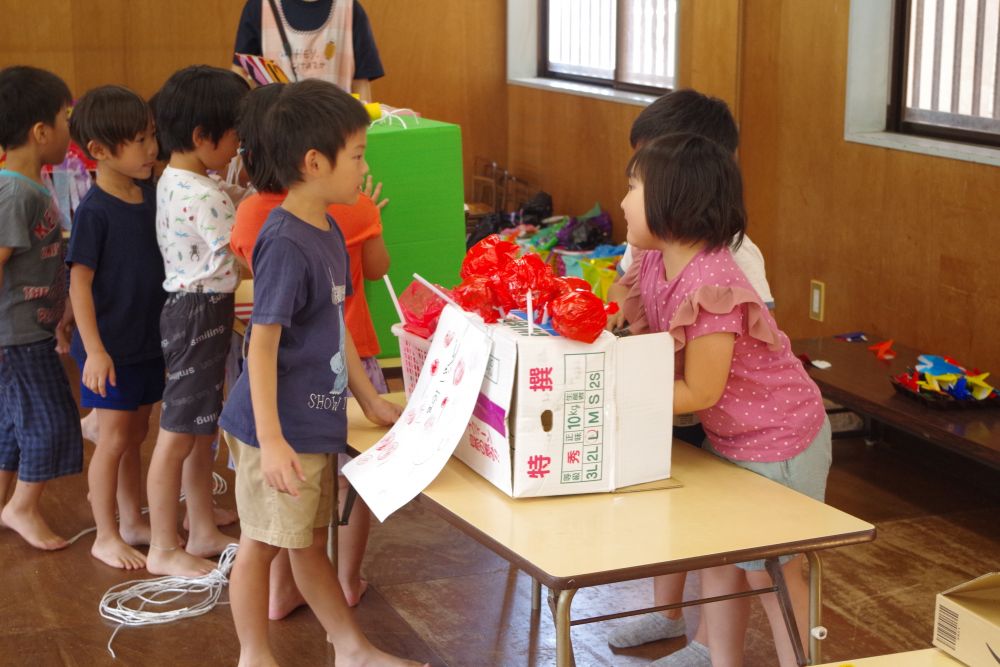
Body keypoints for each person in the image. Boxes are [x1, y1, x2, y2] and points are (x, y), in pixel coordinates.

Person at [219, 78, 423, 667]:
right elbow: (260, 347)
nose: (364, 167)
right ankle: (254, 655)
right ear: (314, 162)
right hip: (272, 431)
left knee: (306, 543)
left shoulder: (331, 228)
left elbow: (333, 325)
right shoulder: (284, 242)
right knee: (260, 544)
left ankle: (351, 647)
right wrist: (274, 440)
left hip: (309, 426)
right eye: (357, 155)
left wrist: (371, 401)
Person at [619, 133, 832, 667]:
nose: (623, 201)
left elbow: (701, 390)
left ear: (673, 203)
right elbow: (634, 332)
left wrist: (615, 396)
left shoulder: (711, 279)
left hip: (780, 441)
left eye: (633, 187)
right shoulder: (651, 262)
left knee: (774, 574)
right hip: (735, 438)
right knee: (721, 559)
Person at [606, 89, 776, 666]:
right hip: (675, 394)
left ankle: (708, 644)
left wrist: (633, 381)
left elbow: (729, 357)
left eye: (643, 176)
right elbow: (631, 300)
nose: (631, 191)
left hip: (721, 413)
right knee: (676, 515)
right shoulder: (654, 245)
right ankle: (667, 611)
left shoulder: (729, 262)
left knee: (731, 547)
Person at [145, 65, 250, 577]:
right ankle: (164, 546)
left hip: (197, 310)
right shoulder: (204, 194)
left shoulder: (180, 178)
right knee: (179, 431)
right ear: (201, 136)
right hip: (198, 313)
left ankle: (202, 526)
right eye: (234, 136)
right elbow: (244, 253)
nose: (238, 147)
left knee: (200, 426)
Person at [67, 85, 165, 569]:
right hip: (110, 347)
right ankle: (104, 533)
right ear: (101, 151)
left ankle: (131, 519)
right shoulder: (94, 212)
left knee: (136, 431)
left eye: (151, 136)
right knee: (114, 438)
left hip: (146, 340)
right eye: (139, 140)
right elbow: (79, 285)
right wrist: (95, 351)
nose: (152, 149)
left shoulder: (147, 192)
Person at [0, 66, 81, 552]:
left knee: (12, 423)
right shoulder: (13, 191)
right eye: (66, 118)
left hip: (28, 331)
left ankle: (7, 502)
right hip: (17, 334)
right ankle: (23, 507)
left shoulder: (31, 186)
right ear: (40, 131)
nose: (70, 130)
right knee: (52, 420)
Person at [231, 0, 385, 99]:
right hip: (275, 131)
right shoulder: (259, 6)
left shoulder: (350, 9)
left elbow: (361, 82)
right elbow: (240, 75)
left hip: (336, 130)